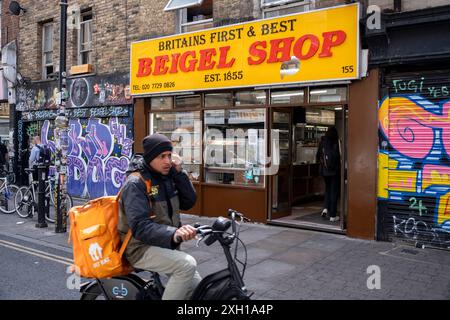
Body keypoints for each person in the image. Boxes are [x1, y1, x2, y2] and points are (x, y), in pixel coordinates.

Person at [118, 133, 200, 300]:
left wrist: (179, 173)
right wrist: (174, 233)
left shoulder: (166, 176)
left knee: (197, 289)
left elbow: (189, 201)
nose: (168, 161)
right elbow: (140, 226)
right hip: (139, 248)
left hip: (163, 245)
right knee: (186, 265)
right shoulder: (136, 183)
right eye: (162, 156)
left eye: (169, 155)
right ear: (149, 158)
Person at [316, 127, 341, 222]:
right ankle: (333, 215)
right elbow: (340, 157)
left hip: (324, 172)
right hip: (334, 172)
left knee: (328, 190)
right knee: (334, 192)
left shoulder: (322, 142)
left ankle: (325, 208)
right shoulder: (336, 143)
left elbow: (318, 156)